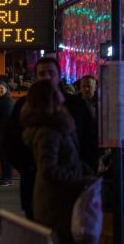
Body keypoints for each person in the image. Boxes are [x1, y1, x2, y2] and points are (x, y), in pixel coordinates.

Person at [5, 57, 98, 219]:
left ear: (59, 75)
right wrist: (29, 168)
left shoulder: (76, 105)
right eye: (42, 73)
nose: (47, 77)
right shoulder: (23, 107)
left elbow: (90, 140)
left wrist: (83, 169)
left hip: (72, 187)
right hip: (37, 185)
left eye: (51, 73)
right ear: (36, 77)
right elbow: (11, 143)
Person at [21, 79, 88, 244]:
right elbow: (49, 170)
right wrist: (81, 179)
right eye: (57, 93)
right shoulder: (48, 132)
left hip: (59, 200)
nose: (62, 96)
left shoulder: (52, 127)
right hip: (58, 203)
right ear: (49, 99)